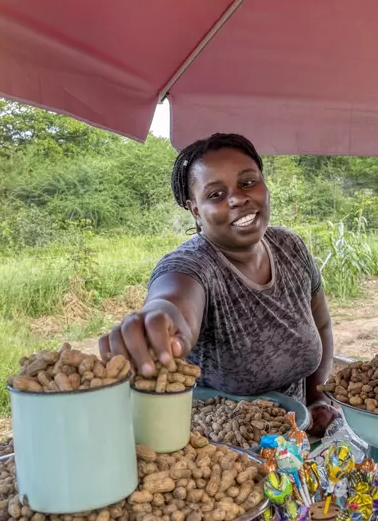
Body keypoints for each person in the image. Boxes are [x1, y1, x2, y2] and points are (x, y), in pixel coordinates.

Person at [99, 133, 338, 436]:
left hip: (295, 443)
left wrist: (316, 399)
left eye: (248, 182)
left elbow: (323, 325)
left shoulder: (290, 247)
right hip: (224, 456)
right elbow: (174, 300)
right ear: (195, 210)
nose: (237, 198)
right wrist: (159, 320)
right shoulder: (192, 266)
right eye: (215, 194)